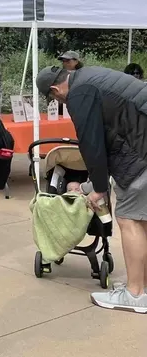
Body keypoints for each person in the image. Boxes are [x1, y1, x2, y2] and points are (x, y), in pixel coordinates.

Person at [36, 65, 147, 313]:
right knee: (142, 220)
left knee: (129, 219)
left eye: (53, 98)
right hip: (142, 145)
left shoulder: (79, 94)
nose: (58, 102)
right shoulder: (89, 76)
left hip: (140, 154)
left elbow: (91, 143)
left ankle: (135, 295)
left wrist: (97, 189)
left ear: (55, 89)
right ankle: (142, 287)